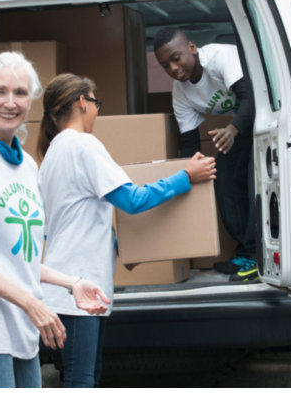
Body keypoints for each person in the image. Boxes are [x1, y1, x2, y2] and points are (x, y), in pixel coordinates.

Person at [0, 53, 110, 388]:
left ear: (31, 101)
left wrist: (72, 282)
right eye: (0, 91)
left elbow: (19, 256)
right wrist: (33, 304)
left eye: (20, 93)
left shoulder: (28, 167)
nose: (10, 102)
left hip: (21, 327)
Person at [37, 73, 217, 387]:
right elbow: (132, 201)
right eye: (96, 103)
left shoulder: (53, 152)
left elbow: (73, 223)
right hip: (77, 287)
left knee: (81, 378)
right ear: (82, 102)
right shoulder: (83, 145)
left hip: (71, 285)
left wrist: (121, 248)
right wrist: (185, 176)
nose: (97, 112)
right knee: (81, 382)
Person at [153, 27, 257, 281]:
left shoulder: (219, 58)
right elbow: (190, 143)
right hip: (241, 129)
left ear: (191, 48)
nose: (174, 68)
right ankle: (247, 251)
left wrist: (232, 130)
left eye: (176, 58)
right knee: (223, 180)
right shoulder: (180, 92)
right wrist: (187, 176)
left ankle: (259, 254)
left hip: (267, 117)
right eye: (165, 65)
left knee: (254, 180)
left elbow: (252, 98)